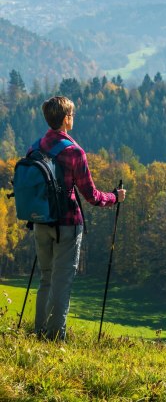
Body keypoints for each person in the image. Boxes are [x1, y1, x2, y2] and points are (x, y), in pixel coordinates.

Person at [32, 95, 126, 340]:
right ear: (65, 119)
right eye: (72, 115)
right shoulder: (75, 152)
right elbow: (92, 196)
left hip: (40, 221)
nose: (73, 118)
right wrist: (115, 197)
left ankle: (39, 334)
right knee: (61, 283)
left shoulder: (35, 147)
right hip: (68, 225)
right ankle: (54, 340)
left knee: (46, 279)